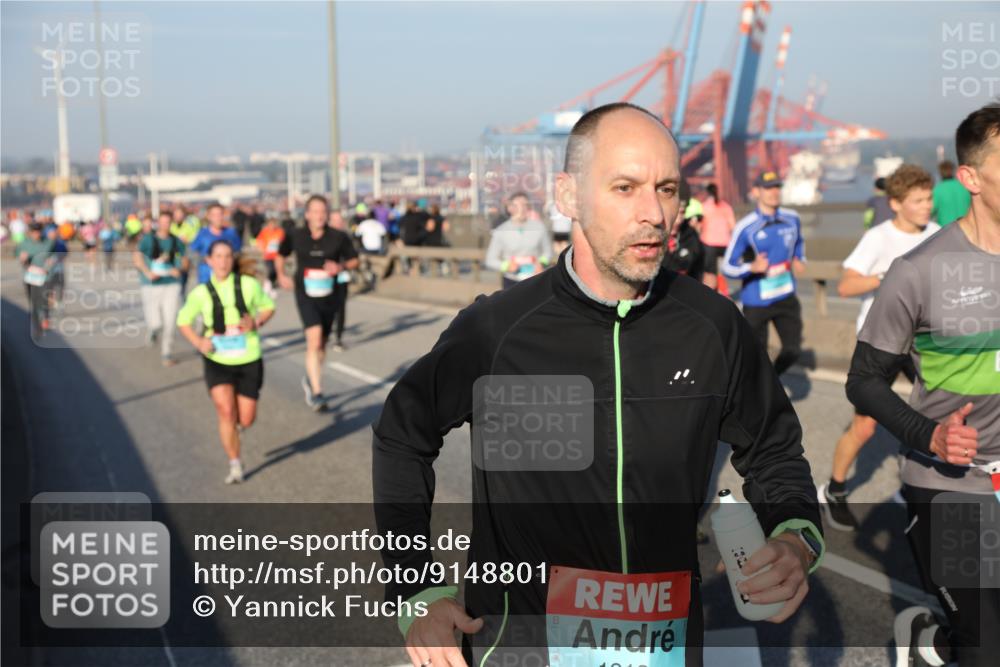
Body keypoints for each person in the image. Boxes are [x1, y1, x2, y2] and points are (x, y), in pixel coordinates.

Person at [373, 103, 823, 667]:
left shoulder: (714, 326)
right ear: (568, 196)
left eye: (665, 189)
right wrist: (416, 590)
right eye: (624, 187)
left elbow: (775, 451)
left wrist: (795, 536)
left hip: (665, 646)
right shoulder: (498, 330)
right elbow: (401, 436)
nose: (654, 213)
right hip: (523, 644)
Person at [846, 103, 1000, 667]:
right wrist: (929, 435)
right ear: (971, 178)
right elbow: (863, 383)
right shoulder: (919, 270)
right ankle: (937, 639)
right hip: (953, 486)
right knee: (988, 651)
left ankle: (939, 641)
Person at [819, 165, 940, 531]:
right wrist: (888, 278)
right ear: (895, 203)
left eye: (928, 198)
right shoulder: (878, 237)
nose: (926, 206)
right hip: (880, 344)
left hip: (921, 342)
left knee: (936, 415)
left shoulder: (936, 235)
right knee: (865, 427)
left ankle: (917, 487)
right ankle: (834, 489)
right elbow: (845, 286)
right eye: (917, 200)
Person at [176, 240, 275, 484]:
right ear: (209, 261)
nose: (223, 261)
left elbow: (268, 307)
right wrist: (199, 343)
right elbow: (183, 320)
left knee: (247, 418)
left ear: (233, 259)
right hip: (217, 358)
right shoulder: (200, 292)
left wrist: (256, 322)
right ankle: (235, 463)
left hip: (248, 357)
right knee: (225, 411)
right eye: (218, 256)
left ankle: (236, 429)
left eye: (227, 256)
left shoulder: (249, 285)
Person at [276, 195, 359, 409]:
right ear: (307, 214)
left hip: (330, 294)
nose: (319, 215)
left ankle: (310, 378)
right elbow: (280, 254)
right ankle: (317, 391)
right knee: (313, 340)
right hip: (305, 293)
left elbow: (354, 260)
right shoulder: (296, 235)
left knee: (321, 343)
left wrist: (340, 267)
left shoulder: (338, 237)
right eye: (315, 211)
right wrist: (281, 274)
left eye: (323, 211)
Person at [722, 171, 807, 377]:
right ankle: (759, 392)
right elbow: (727, 266)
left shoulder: (792, 218)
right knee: (756, 358)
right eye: (768, 188)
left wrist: (799, 258)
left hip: (785, 295)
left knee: (793, 351)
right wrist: (751, 268)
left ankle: (771, 382)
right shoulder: (746, 227)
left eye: (777, 187)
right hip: (756, 302)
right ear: (756, 192)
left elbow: (799, 243)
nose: (774, 192)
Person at [135, 211, 188, 366]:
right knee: (156, 323)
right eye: (162, 222)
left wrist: (179, 270)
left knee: (171, 321)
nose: (165, 225)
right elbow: (137, 257)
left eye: (168, 222)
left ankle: (167, 353)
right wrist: (147, 272)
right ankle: (153, 330)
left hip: (171, 283)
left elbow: (185, 260)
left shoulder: (175, 241)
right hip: (151, 285)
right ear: (158, 223)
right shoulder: (148, 240)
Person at [484, 192, 555, 288]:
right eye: (517, 205)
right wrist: (506, 266)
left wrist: (541, 263)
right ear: (509, 208)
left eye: (525, 205)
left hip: (536, 280)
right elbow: (490, 260)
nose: (521, 209)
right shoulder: (501, 230)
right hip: (511, 281)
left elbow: (548, 252)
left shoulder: (539, 227)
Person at [17, 222, 56, 338]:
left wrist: (52, 260)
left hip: (45, 276)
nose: (36, 234)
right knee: (34, 302)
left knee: (44, 300)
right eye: (34, 232)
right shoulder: (24, 243)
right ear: (30, 233)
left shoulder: (48, 242)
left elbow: (57, 254)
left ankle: (45, 317)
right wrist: (23, 259)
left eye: (38, 232)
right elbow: (20, 257)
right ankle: (37, 328)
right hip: (30, 276)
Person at [190, 202, 242, 285]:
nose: (218, 218)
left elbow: (238, 252)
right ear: (208, 217)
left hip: (227, 279)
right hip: (206, 278)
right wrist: (205, 259)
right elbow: (191, 252)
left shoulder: (231, 233)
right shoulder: (202, 234)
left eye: (220, 214)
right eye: (214, 215)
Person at [700, 183, 736, 295]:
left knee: (710, 273)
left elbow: (700, 226)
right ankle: (725, 292)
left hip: (709, 243)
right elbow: (733, 226)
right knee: (724, 270)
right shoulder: (726, 206)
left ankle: (712, 294)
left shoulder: (704, 207)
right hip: (725, 243)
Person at [932, 159, 972, 226]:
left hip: (946, 230)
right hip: (967, 228)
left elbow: (930, 211)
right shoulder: (965, 186)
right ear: (953, 171)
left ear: (940, 172)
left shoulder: (938, 190)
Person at [255, 214, 285, 298]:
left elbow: (284, 241)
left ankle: (270, 286)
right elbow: (259, 241)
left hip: (277, 256)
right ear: (268, 224)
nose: (272, 225)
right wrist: (261, 248)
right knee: (270, 270)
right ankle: (268, 285)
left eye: (274, 223)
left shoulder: (280, 231)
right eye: (271, 224)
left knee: (276, 271)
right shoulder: (264, 232)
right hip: (268, 256)